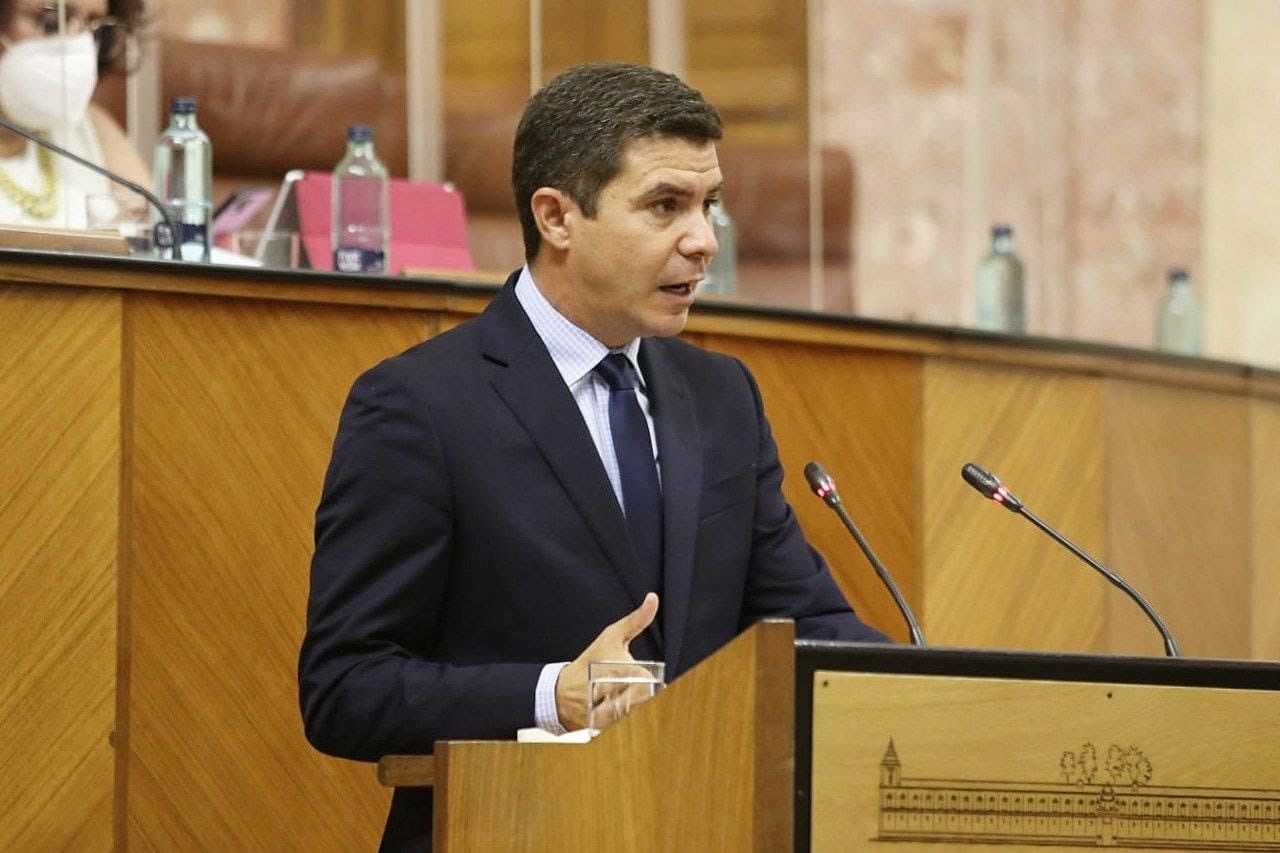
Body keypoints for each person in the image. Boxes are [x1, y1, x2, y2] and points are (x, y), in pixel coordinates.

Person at [299, 61, 887, 850]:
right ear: (557, 218)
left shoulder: (722, 398)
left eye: (709, 204)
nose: (704, 240)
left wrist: (944, 694)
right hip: (506, 829)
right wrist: (555, 694)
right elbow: (345, 687)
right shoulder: (421, 407)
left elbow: (807, 624)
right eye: (666, 206)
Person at [0, 0, 148, 227]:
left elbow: (157, 235)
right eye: (51, 22)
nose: (79, 45)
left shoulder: (94, 127)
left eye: (94, 27)